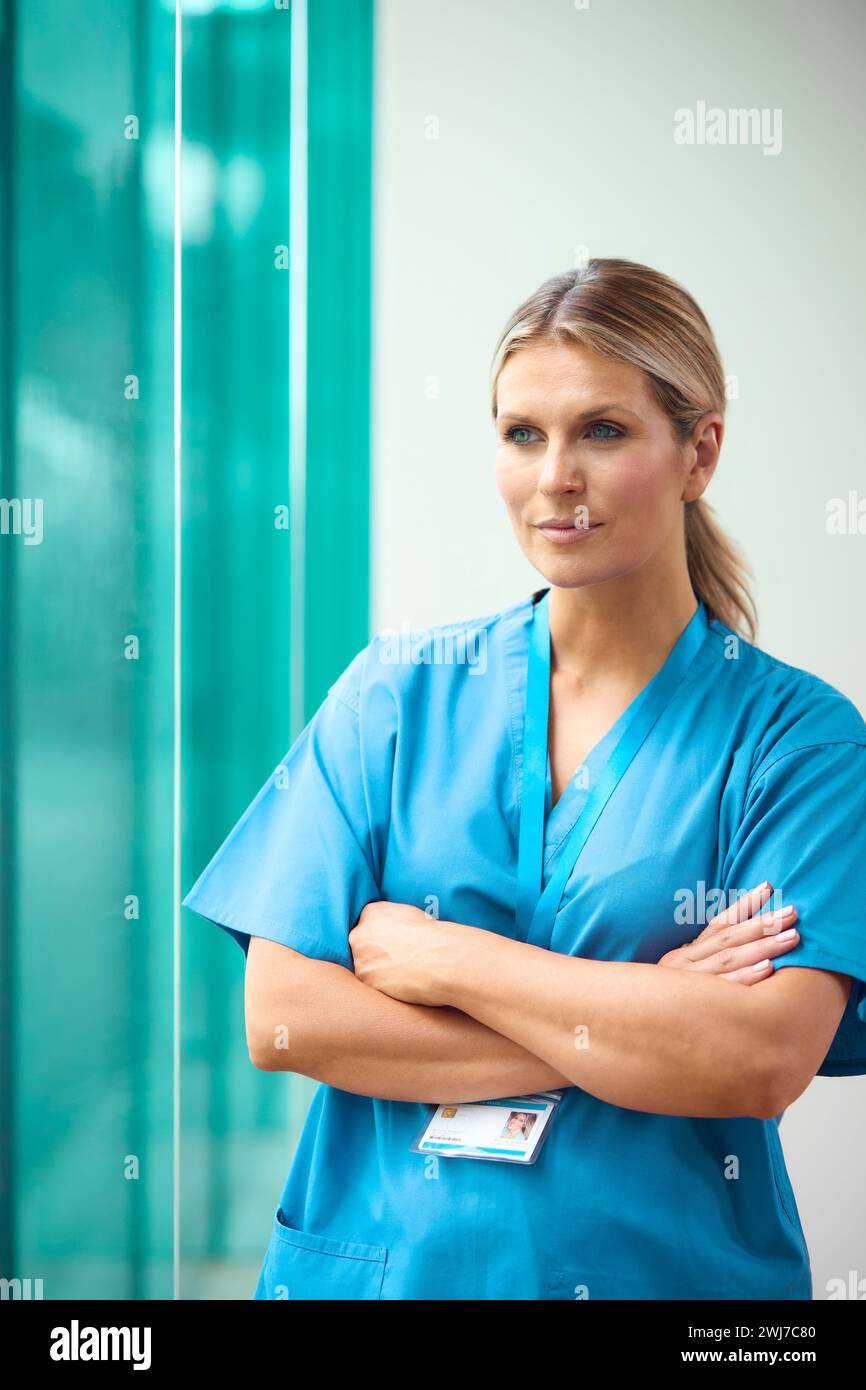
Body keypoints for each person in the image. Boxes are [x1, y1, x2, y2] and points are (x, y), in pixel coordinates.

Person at [182, 258, 866, 1301]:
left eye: (602, 431)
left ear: (699, 452)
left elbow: (757, 1059)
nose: (555, 477)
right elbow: (283, 1018)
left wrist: (447, 959)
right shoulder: (395, 694)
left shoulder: (795, 741)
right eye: (521, 435)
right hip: (385, 1275)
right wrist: (647, 1014)